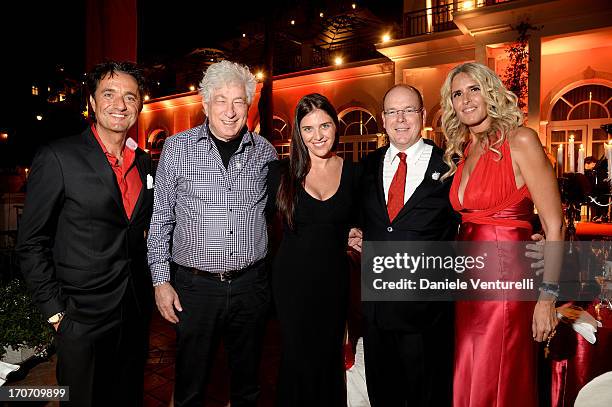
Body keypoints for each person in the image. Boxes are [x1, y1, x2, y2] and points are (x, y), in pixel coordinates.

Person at [16, 61, 153, 406]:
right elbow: (31, 243)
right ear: (91, 102)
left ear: (139, 104)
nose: (120, 105)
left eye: (129, 97)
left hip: (134, 312)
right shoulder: (58, 157)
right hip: (81, 317)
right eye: (109, 94)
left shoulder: (145, 162)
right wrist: (56, 312)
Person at [147, 60, 277, 407]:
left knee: (248, 385)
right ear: (205, 103)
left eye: (238, 102)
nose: (230, 111)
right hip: (194, 288)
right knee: (191, 385)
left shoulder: (265, 152)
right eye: (221, 100)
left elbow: (283, 213)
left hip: (251, 286)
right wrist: (161, 282)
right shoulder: (177, 149)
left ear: (248, 107)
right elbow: (160, 220)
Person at [440, 62, 564, 407]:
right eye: (457, 94)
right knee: (471, 369)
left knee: (498, 378)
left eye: (473, 89)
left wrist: (547, 298)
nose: (465, 100)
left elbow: (554, 225)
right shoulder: (467, 150)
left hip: (506, 283)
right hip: (470, 285)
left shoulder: (521, 140)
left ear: (491, 91)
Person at [358, 84, 458, 406]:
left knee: (426, 397)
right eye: (392, 112)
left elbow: (474, 220)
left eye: (409, 110)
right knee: (382, 395)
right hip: (377, 314)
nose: (401, 119)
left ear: (423, 116)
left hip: (427, 317)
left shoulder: (450, 166)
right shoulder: (367, 166)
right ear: (383, 120)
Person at [267, 93, 359, 406]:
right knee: (297, 360)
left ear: (336, 126)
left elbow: (364, 225)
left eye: (324, 125)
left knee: (329, 357)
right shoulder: (280, 174)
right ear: (298, 133)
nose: (317, 135)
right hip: (291, 283)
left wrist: (359, 237)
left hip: (333, 282)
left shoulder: (355, 174)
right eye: (308, 129)